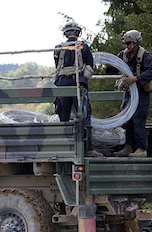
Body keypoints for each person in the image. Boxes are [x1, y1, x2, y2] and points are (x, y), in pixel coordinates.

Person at [53, 21, 103, 158]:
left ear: (65, 33)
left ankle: (64, 147)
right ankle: (88, 148)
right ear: (78, 33)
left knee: (63, 116)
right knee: (84, 116)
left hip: (63, 86)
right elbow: (89, 69)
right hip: (78, 85)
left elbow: (57, 67)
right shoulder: (84, 47)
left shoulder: (58, 48)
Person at [108, 30, 152, 157]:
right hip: (129, 93)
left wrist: (135, 79)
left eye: (129, 43)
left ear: (136, 43)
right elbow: (112, 69)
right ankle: (128, 146)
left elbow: (151, 72)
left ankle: (141, 149)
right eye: (126, 44)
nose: (127, 46)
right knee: (126, 118)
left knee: (138, 120)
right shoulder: (123, 55)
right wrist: (108, 63)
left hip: (141, 93)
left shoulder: (145, 56)